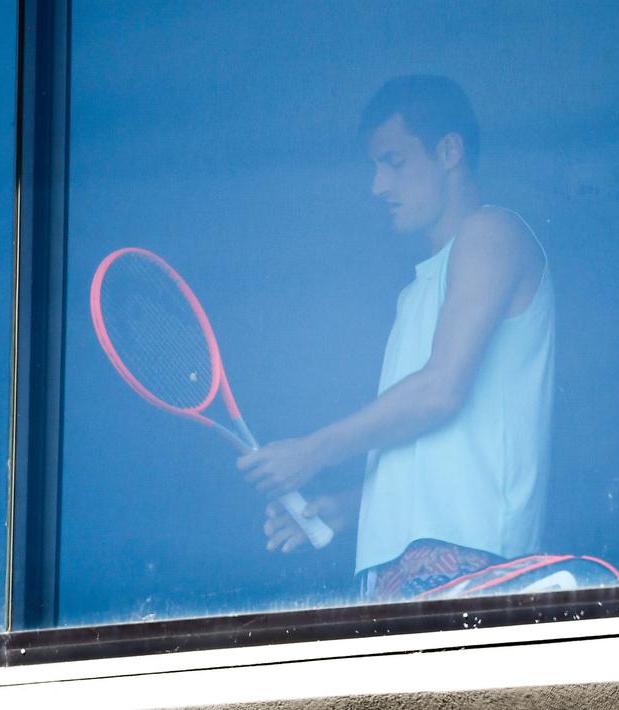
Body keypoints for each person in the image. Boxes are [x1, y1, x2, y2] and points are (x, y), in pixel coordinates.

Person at [237, 75, 553, 601]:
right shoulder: (416, 293)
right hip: (393, 572)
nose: (377, 186)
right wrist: (345, 507)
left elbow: (441, 390)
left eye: (394, 162)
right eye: (375, 166)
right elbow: (438, 453)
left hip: (465, 566)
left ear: (449, 151)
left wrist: (312, 450)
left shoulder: (490, 231)